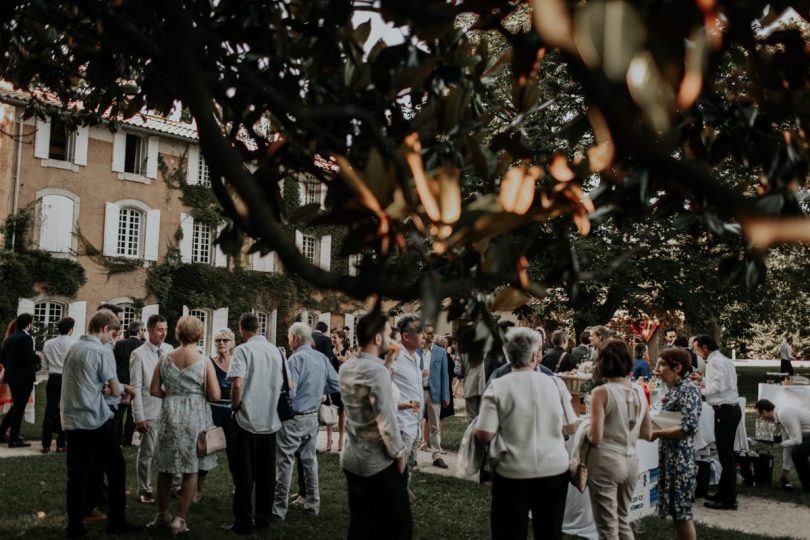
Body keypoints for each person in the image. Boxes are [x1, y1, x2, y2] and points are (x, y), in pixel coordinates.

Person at [475, 328, 570, 540]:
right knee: (549, 532)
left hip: (513, 468)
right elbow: (569, 426)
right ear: (536, 355)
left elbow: (484, 435)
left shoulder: (499, 383)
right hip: (554, 468)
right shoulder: (555, 382)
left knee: (509, 531)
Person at [61, 309, 137, 538]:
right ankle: (116, 521)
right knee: (116, 467)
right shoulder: (100, 351)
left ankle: (75, 526)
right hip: (94, 419)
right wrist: (126, 388)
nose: (112, 339)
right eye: (112, 334)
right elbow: (114, 389)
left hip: (72, 419)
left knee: (76, 474)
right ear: (105, 328)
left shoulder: (73, 348)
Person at [340, 311, 410, 540]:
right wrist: (399, 455)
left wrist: (387, 363)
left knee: (360, 524)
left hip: (352, 457)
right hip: (377, 462)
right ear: (378, 339)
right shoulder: (376, 371)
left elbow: (371, 398)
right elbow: (385, 419)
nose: (391, 340)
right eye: (389, 335)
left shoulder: (347, 367)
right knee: (397, 528)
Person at [147, 316, 219, 535]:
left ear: (178, 333)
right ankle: (179, 519)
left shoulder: (165, 358)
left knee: (165, 467)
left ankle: (162, 514)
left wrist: (173, 395)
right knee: (191, 468)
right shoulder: (204, 361)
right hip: (194, 415)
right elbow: (215, 395)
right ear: (199, 334)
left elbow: (154, 390)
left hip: (170, 413)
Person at [225, 312, 285, 535]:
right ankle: (263, 516)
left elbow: (237, 384)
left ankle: (243, 520)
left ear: (242, 330)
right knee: (267, 472)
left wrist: (235, 406)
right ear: (258, 328)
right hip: (270, 418)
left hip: (248, 418)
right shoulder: (276, 351)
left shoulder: (243, 350)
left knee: (244, 472)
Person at [272, 322, 339, 520]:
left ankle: (278, 509)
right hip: (312, 417)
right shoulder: (322, 358)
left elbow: (291, 392)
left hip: (295, 418)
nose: (289, 340)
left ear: (294, 338)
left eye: (289, 337)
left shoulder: (295, 359)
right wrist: (320, 392)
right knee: (310, 462)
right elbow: (336, 384)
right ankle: (313, 505)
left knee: (285, 463)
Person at [587, 338, 652, 539]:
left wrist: (584, 430)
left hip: (606, 461)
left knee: (607, 527)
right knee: (623, 520)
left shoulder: (601, 392)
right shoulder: (639, 391)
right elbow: (647, 433)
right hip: (631, 460)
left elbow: (595, 437)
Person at [650, 348, 701, 540]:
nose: (658, 369)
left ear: (678, 367)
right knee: (676, 511)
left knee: (682, 514)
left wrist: (657, 433)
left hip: (680, 459)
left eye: (662, 364)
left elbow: (688, 427)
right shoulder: (675, 390)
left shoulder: (687, 390)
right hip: (670, 457)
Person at [129, 314, 174, 504]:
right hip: (149, 410)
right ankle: (144, 489)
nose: (163, 333)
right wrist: (139, 416)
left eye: (165, 329)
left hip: (170, 409)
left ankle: (175, 486)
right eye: (159, 329)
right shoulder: (138, 354)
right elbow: (135, 388)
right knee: (147, 452)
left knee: (172, 449)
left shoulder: (170, 350)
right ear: (148, 330)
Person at [693, 334, 740, 510]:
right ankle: (723, 492)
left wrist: (700, 389)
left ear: (705, 348)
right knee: (724, 453)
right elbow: (723, 383)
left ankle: (729, 499)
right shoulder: (724, 360)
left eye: (698, 349)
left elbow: (718, 387)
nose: (698, 353)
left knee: (726, 455)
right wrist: (702, 380)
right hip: (730, 408)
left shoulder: (714, 362)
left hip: (725, 410)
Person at [196, 328, 237, 501]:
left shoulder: (238, 362)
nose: (221, 343)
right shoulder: (208, 363)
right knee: (205, 451)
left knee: (235, 452)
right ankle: (198, 489)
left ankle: (237, 485)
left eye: (225, 340)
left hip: (232, 413)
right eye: (218, 340)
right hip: (212, 411)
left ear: (232, 343)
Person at [392, 315, 424, 493]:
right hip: (401, 423)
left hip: (415, 423)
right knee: (397, 470)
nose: (424, 335)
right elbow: (381, 388)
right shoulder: (395, 356)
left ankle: (400, 501)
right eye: (419, 332)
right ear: (406, 336)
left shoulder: (417, 358)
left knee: (409, 467)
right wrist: (401, 405)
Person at [755, 399, 810, 492]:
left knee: (797, 453)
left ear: (764, 412)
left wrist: (777, 445)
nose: (761, 419)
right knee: (797, 452)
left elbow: (797, 440)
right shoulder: (779, 417)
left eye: (760, 416)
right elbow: (788, 445)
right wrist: (784, 474)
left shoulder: (783, 414)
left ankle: (808, 486)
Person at [0, 313, 38, 448]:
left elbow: (3, 359)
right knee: (18, 409)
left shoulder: (9, 339)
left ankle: (2, 432)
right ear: (28, 324)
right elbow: (29, 358)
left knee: (15, 407)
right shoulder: (26, 338)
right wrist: (37, 357)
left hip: (12, 377)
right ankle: (14, 439)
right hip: (24, 378)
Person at [40, 317, 75, 453]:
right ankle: (61, 443)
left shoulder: (48, 343)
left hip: (53, 377)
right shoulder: (73, 344)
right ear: (70, 329)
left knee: (49, 410)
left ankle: (46, 444)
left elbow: (44, 364)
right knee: (64, 410)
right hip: (66, 378)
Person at [417, 323, 450, 469]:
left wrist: (446, 395)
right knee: (414, 423)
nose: (427, 336)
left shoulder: (440, 352)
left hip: (434, 392)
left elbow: (445, 375)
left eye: (430, 334)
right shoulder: (415, 351)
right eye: (425, 334)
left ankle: (437, 456)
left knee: (435, 425)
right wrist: (419, 373)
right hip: (417, 391)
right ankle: (412, 456)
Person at [113, 320, 145, 446]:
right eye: (143, 330)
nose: (144, 333)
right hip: (135, 383)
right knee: (132, 414)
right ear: (139, 331)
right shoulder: (143, 346)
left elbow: (113, 363)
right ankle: (127, 441)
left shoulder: (120, 344)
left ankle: (117, 438)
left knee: (119, 413)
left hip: (121, 382)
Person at [325, 330, 348, 453]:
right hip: (330, 386)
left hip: (342, 386)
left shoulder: (347, 352)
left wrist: (346, 362)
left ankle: (340, 440)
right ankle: (329, 441)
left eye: (335, 337)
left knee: (341, 415)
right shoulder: (329, 352)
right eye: (332, 337)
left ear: (342, 339)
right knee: (330, 413)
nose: (333, 339)